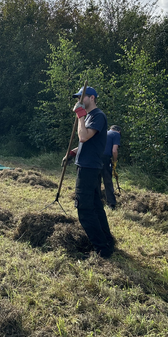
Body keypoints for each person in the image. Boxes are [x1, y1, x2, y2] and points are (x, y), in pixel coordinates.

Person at [68, 87, 115, 258]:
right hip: (88, 165)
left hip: (89, 168)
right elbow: (86, 142)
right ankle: (107, 241)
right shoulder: (90, 117)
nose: (79, 100)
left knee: (84, 208)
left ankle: (101, 249)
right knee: (96, 206)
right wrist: (73, 152)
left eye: (82, 97)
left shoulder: (97, 116)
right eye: (78, 97)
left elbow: (83, 136)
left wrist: (80, 115)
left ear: (92, 98)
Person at [102, 125, 121, 210]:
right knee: (107, 180)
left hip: (95, 157)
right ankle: (111, 204)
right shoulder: (116, 134)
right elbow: (114, 150)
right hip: (105, 158)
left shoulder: (103, 133)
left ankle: (98, 201)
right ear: (119, 131)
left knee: (97, 179)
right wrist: (114, 161)